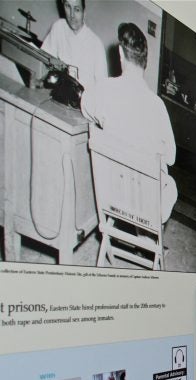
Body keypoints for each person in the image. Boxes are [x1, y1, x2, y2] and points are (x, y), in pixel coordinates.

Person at [80, 22, 177, 224]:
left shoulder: (103, 90)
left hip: (111, 194)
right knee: (166, 181)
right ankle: (146, 238)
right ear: (145, 63)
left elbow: (86, 108)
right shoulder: (158, 107)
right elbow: (171, 157)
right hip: (145, 204)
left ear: (121, 55)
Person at [42, 0, 107, 92]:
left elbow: (102, 88)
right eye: (68, 6)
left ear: (84, 12)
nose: (72, 15)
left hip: (82, 102)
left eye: (77, 9)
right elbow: (43, 60)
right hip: (54, 92)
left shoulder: (96, 45)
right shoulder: (58, 27)